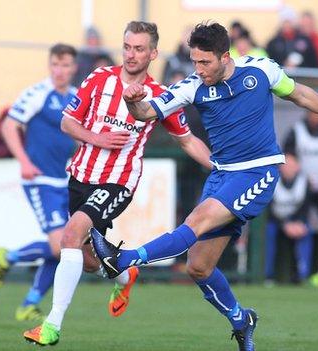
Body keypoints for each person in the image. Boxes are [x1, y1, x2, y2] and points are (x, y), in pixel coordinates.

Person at [92, 22, 318, 351]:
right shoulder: (191, 86)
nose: (198, 69)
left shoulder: (260, 71)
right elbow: (145, 113)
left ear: (225, 57)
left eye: (204, 62)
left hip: (259, 172)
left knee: (195, 221)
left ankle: (124, 258)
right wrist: (132, 102)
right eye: (194, 61)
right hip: (222, 176)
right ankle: (241, 320)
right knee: (198, 267)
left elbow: (299, 94)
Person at [23, 21, 212, 346]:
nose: (131, 54)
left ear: (153, 53)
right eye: (127, 47)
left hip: (118, 181)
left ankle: (51, 326)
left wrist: (223, 168)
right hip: (81, 175)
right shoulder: (99, 79)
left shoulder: (159, 96)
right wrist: (97, 137)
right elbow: (68, 122)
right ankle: (125, 275)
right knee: (84, 256)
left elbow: (187, 140)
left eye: (139, 49)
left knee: (70, 235)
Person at [0, 43, 130, 322]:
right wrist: (24, 162)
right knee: (59, 245)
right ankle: (9, 257)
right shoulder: (37, 93)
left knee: (69, 243)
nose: (60, 70)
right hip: (40, 179)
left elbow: (81, 135)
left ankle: (29, 302)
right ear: (49, 65)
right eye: (55, 64)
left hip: (68, 179)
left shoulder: (77, 96)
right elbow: (8, 126)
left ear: (73, 68)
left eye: (65, 65)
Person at [265, 154, 313, 284]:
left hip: (295, 220)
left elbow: (306, 206)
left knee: (306, 230)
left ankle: (303, 276)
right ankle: (267, 276)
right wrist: (284, 225)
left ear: (297, 167)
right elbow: (267, 209)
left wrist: (299, 223)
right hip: (275, 221)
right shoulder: (271, 180)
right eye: (285, 165)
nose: (288, 169)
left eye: (291, 165)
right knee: (268, 233)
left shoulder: (305, 181)